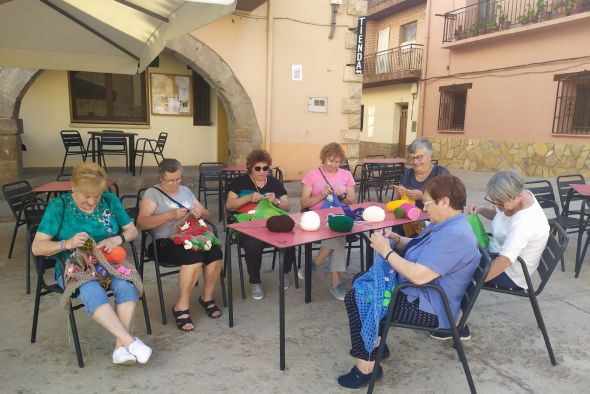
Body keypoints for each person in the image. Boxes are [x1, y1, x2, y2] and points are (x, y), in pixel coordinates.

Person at [337, 174, 480, 389]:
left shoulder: (455, 235)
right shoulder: (448, 224)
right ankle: (376, 346)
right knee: (361, 281)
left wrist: (387, 252)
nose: (424, 208)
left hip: (430, 307)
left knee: (358, 297)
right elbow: (423, 247)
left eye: (427, 203)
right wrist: (397, 239)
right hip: (423, 294)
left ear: (444, 202)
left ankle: (366, 369)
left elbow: (419, 276)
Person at [32, 162, 152, 365]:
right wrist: (67, 243)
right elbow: (37, 247)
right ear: (73, 187)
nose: (92, 201)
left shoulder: (109, 200)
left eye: (96, 195)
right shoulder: (59, 206)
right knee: (91, 291)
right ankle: (130, 342)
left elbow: (132, 230)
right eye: (86, 196)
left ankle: (119, 349)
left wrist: (117, 239)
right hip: (75, 266)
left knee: (127, 285)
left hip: (109, 261)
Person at [137, 158, 223, 332]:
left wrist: (201, 212)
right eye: (171, 180)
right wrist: (169, 216)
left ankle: (206, 297)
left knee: (215, 252)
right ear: (161, 179)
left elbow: (205, 213)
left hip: (189, 236)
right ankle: (181, 306)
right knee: (193, 256)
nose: (176, 183)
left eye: (178, 179)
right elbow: (142, 223)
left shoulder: (185, 191)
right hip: (163, 242)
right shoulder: (152, 194)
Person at [226, 148, 296, 300]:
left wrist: (275, 201)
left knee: (290, 238)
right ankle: (255, 281)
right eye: (258, 168)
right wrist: (248, 198)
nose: (262, 171)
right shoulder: (239, 182)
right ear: (250, 167)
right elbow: (229, 205)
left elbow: (287, 206)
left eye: (265, 168)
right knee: (253, 244)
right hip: (248, 223)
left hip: (272, 221)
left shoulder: (274, 183)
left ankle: (285, 272)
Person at [468, 169, 549, 290]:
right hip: (497, 255)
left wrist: (473, 280)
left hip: (511, 274)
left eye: (500, 203)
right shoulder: (520, 194)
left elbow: (505, 261)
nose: (495, 206)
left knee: (455, 270)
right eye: (493, 200)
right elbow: (500, 216)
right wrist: (480, 210)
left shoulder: (524, 222)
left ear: (517, 197)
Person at [299, 142, 356, 300]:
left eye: (338, 161)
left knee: (338, 231)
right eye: (331, 160)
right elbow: (303, 203)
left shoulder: (346, 175)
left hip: (338, 216)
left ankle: (315, 263)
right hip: (316, 218)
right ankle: (335, 283)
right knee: (339, 235)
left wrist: (343, 196)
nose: (334, 164)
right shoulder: (312, 175)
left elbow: (352, 202)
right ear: (323, 159)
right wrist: (321, 196)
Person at [395, 137, 449, 209]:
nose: (415, 162)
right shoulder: (408, 173)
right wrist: (400, 193)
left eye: (419, 157)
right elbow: (401, 202)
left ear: (430, 156)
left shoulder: (441, 174)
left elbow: (448, 205)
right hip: (410, 217)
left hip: (433, 219)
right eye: (412, 158)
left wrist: (422, 197)